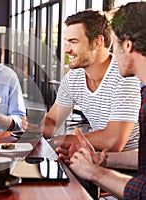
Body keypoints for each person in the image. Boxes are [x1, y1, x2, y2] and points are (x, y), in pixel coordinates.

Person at [57, 3, 146, 198]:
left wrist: (95, 171)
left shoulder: (128, 82)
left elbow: (143, 190)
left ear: (127, 45)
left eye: (113, 43)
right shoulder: (144, 91)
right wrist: (101, 160)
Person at [23, 10, 141, 152]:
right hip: (97, 157)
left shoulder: (125, 76)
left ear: (98, 42)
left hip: (133, 163)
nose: (66, 50)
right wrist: (37, 126)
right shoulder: (73, 78)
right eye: (67, 42)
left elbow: (113, 141)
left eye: (74, 42)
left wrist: (61, 140)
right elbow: (52, 123)